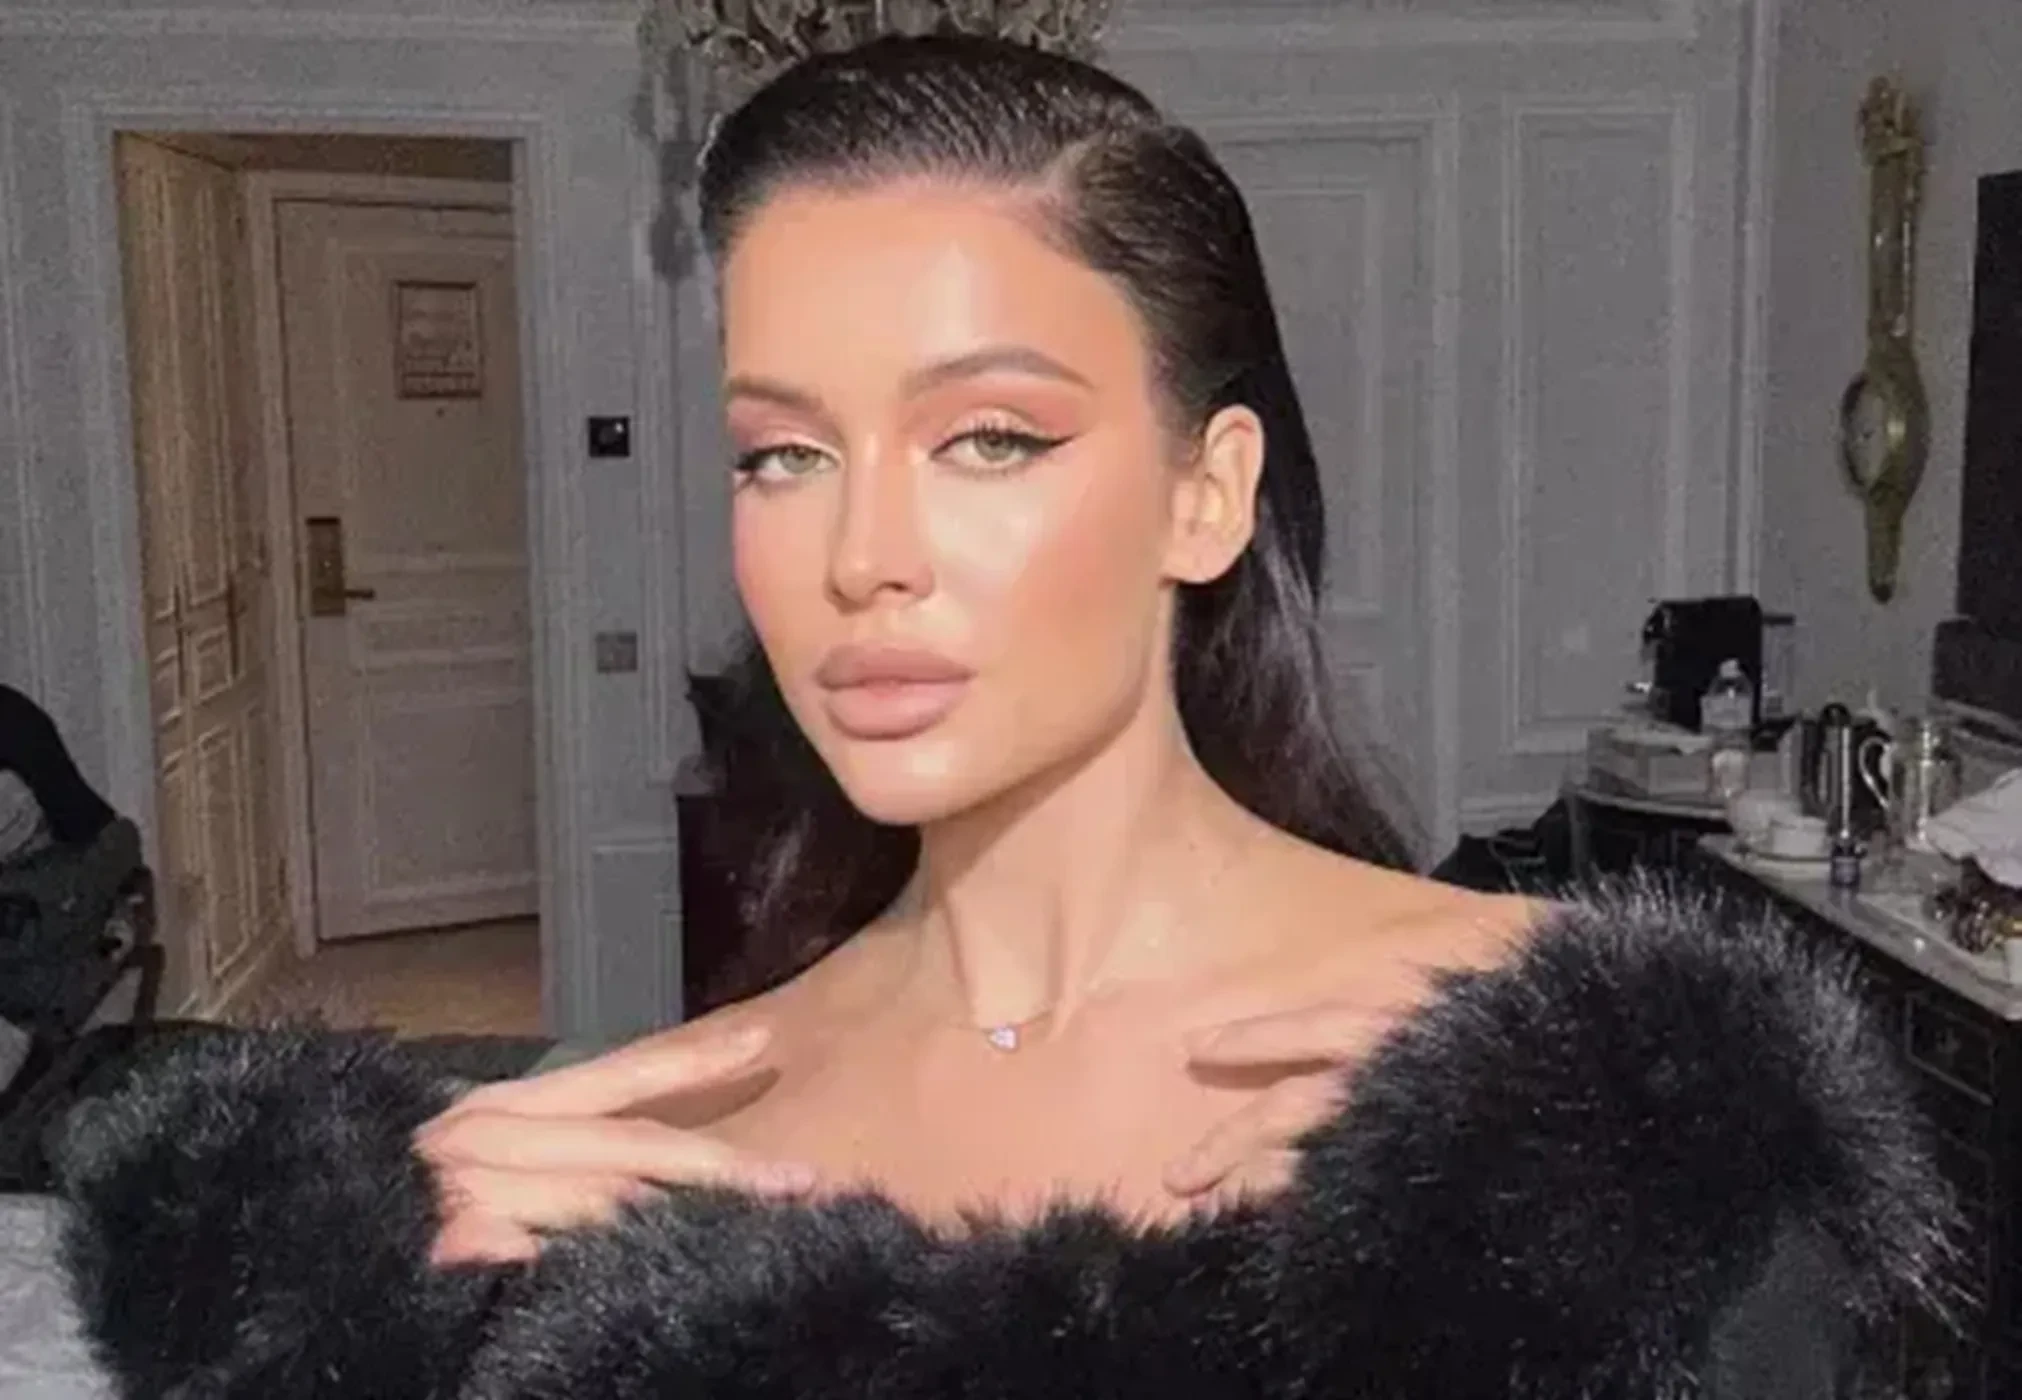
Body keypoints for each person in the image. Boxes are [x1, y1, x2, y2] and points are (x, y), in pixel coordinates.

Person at [413, 31, 1540, 1266]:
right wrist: (391, 1286)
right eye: (783, 455)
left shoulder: (1550, 1048)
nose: (863, 557)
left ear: (1206, 495)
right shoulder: (681, 1137)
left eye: (990, 438)